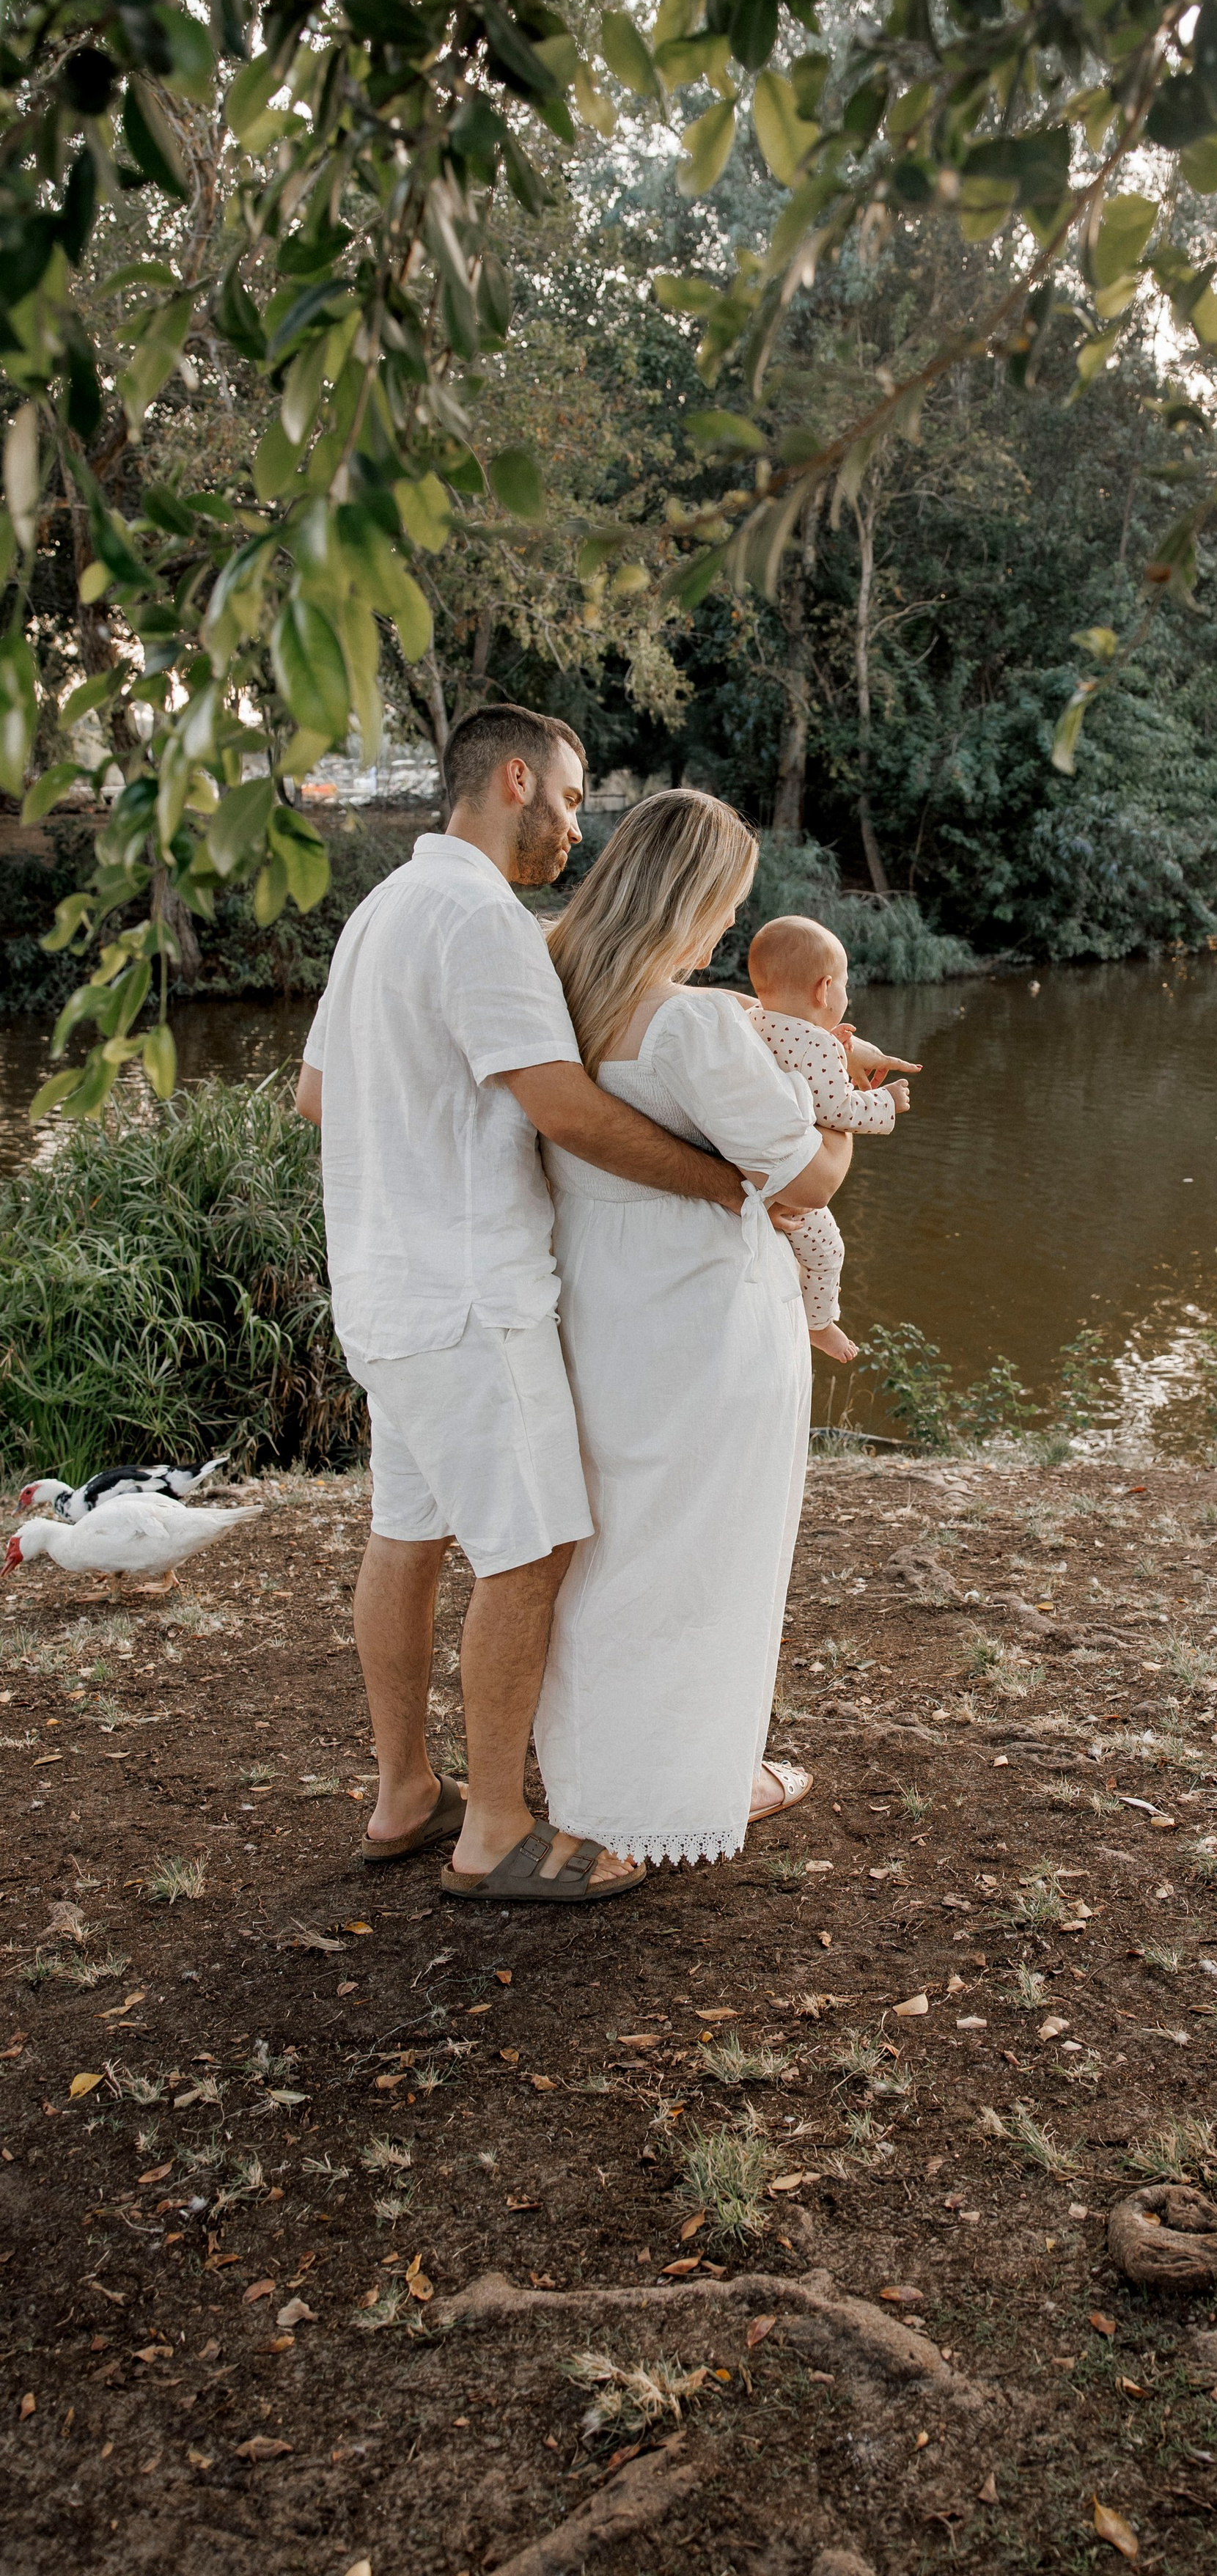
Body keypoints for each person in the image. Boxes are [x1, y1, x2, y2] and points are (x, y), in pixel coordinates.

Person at [295, 705, 768, 1904]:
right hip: (470, 1297)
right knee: (538, 1543)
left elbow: (313, 1095)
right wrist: (723, 1182)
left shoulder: (381, 914)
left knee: (407, 1535)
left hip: (384, 1289)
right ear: (516, 780)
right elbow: (561, 1107)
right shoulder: (479, 920)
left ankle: (407, 1791)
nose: (575, 825)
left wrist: (425, 1131)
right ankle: (496, 1829)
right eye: (566, 798)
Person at [534, 791, 851, 1871]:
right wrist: (838, 1094)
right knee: (710, 1553)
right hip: (701, 1314)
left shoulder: (552, 991)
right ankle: (678, 1792)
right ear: (698, 899)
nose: (727, 930)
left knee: (607, 1550)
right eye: (728, 906)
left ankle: (594, 1790)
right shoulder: (697, 1021)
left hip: (586, 1296)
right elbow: (802, 1181)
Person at [746, 912, 919, 1365]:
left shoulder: (753, 1021)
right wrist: (886, 1101)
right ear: (825, 990)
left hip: (748, 1162)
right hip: (793, 1174)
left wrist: (837, 1048)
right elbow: (838, 1109)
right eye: (844, 984)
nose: (845, 993)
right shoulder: (817, 1046)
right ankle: (819, 1325)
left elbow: (797, 1065)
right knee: (827, 1252)